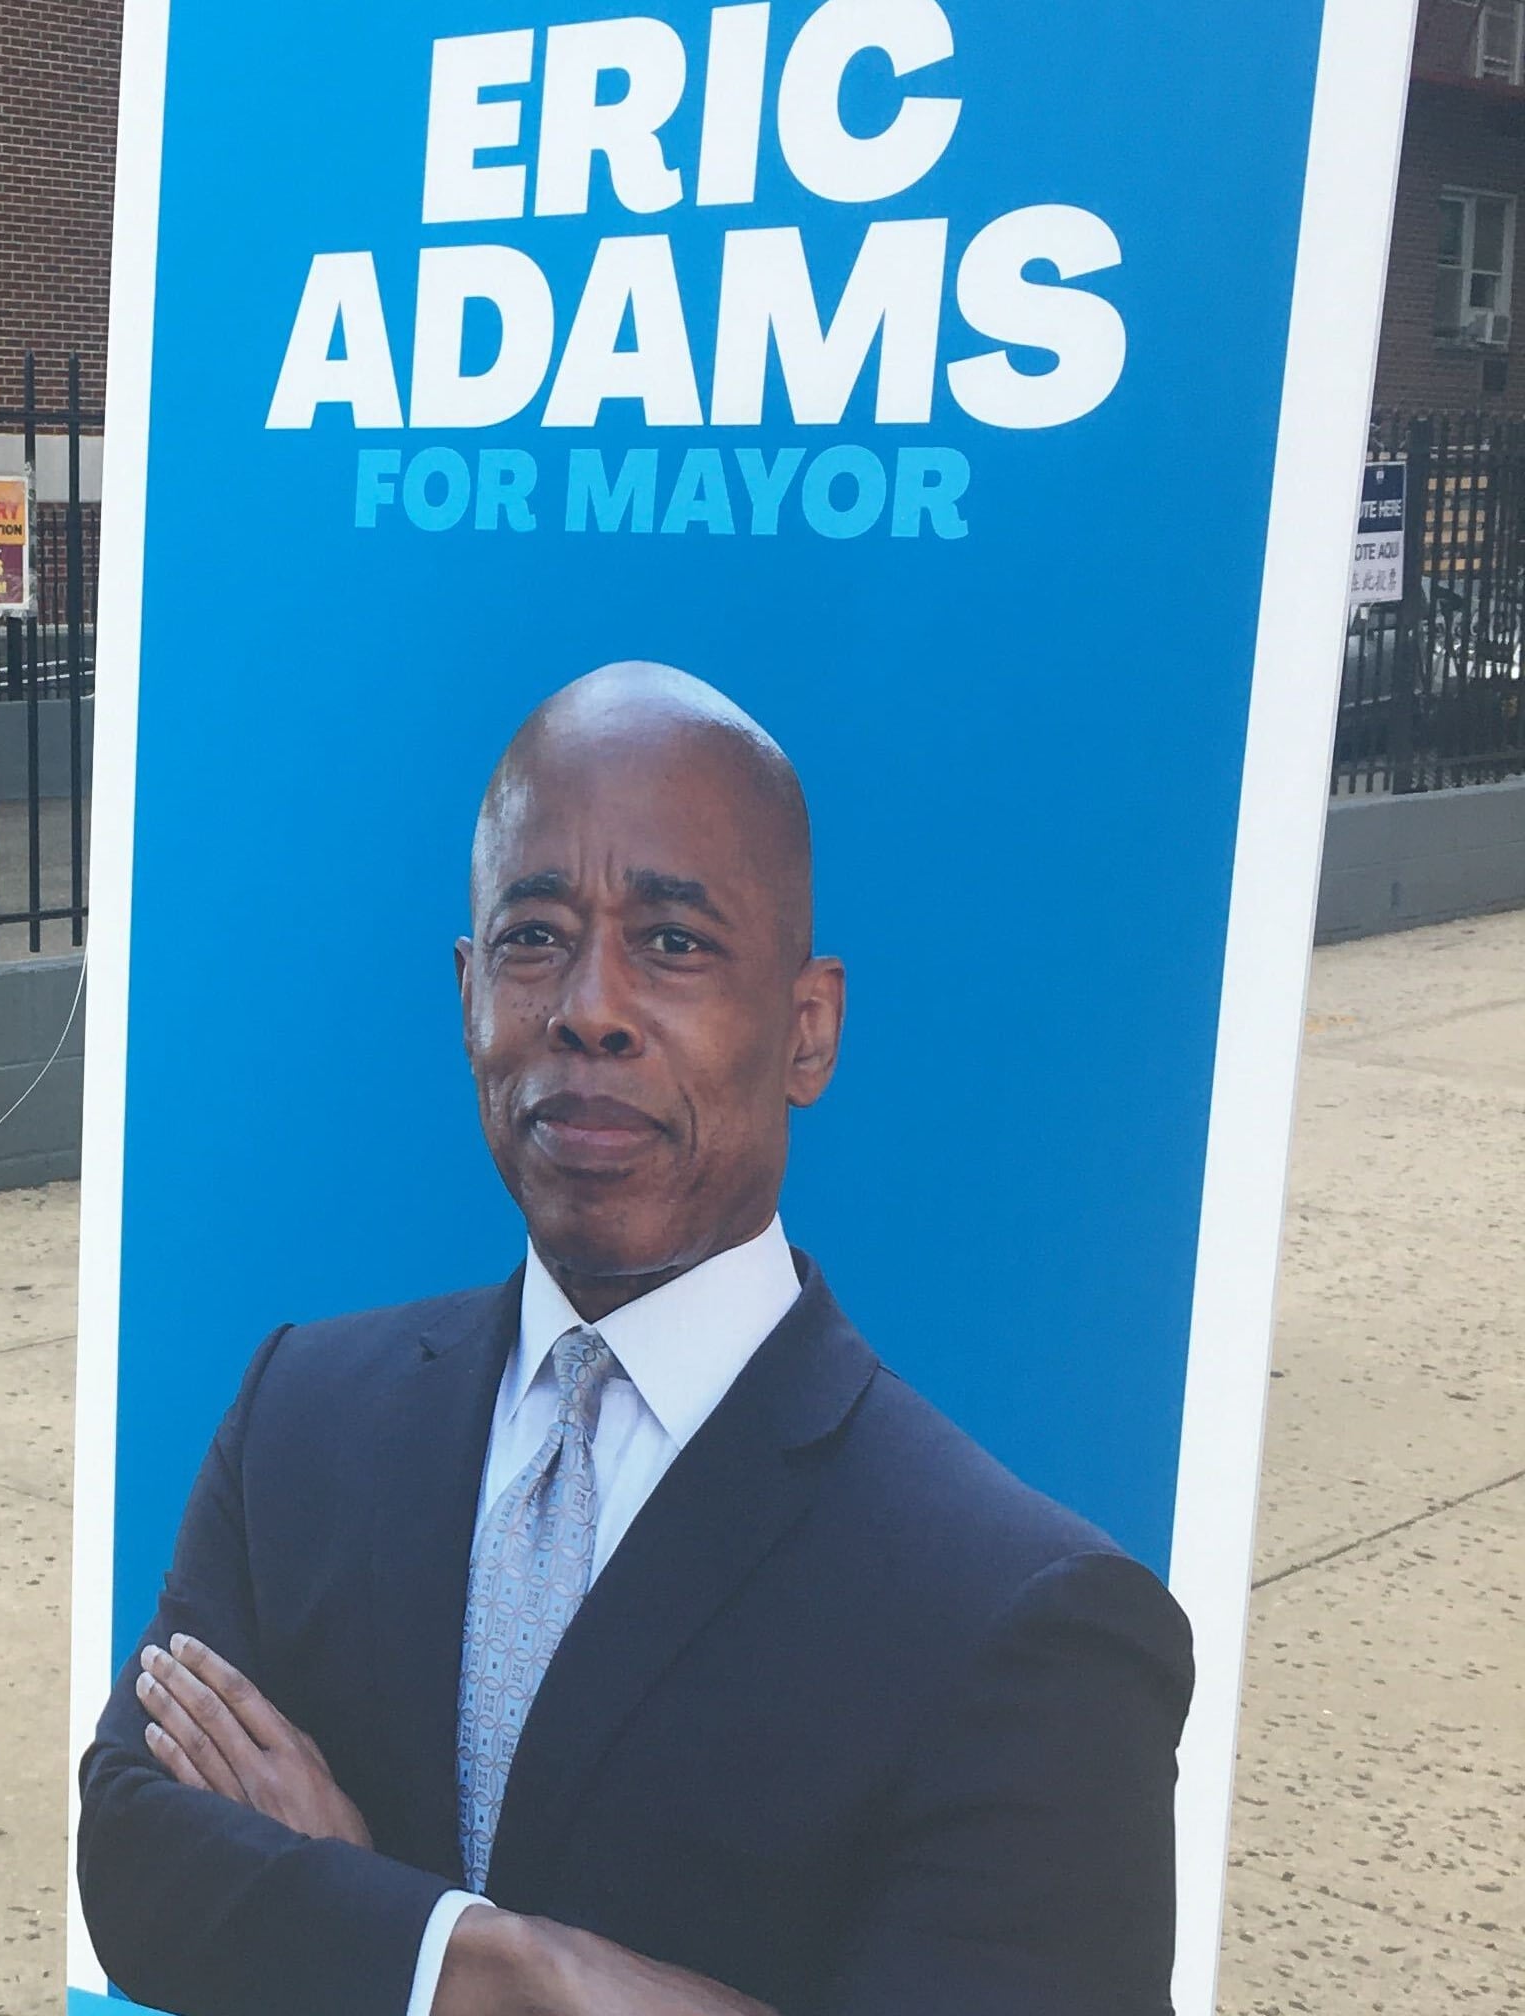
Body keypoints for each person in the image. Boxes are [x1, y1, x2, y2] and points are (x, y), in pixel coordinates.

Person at [75, 664, 1196, 2016]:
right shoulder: (300, 1421)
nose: (588, 1007)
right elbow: (139, 1860)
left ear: (808, 1028)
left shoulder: (1028, 1626)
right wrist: (506, 1970)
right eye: (533, 936)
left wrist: (355, 1927)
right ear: (467, 992)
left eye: (674, 943)